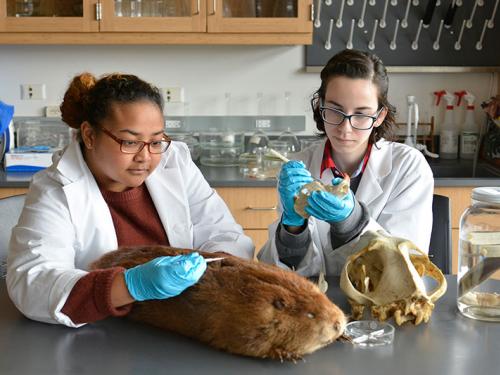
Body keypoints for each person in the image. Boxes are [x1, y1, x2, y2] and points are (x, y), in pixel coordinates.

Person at [7, 73, 254, 327]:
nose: (145, 157)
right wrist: (130, 286)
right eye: (130, 142)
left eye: (156, 141)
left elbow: (225, 234)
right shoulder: (55, 189)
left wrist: (217, 265)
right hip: (102, 336)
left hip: (182, 325)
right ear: (90, 136)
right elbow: (32, 283)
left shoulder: (175, 163)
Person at [259, 49, 434, 276]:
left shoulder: (408, 167)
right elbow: (287, 271)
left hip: (380, 307)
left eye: (361, 114)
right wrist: (292, 228)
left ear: (379, 116)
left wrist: (351, 223)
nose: (345, 128)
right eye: (335, 110)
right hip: (317, 303)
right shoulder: (299, 166)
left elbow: (407, 267)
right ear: (320, 106)